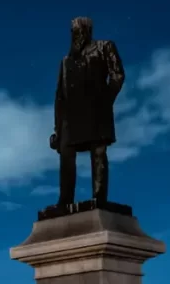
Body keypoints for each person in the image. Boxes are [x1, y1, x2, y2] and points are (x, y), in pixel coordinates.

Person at [50, 17, 125, 206]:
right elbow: (60, 96)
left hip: (96, 110)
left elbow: (117, 75)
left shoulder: (104, 46)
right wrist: (57, 130)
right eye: (73, 30)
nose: (77, 33)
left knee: (98, 152)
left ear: (88, 30)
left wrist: (105, 100)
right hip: (70, 117)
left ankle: (99, 197)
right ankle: (65, 201)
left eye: (80, 29)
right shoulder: (66, 61)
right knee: (66, 155)